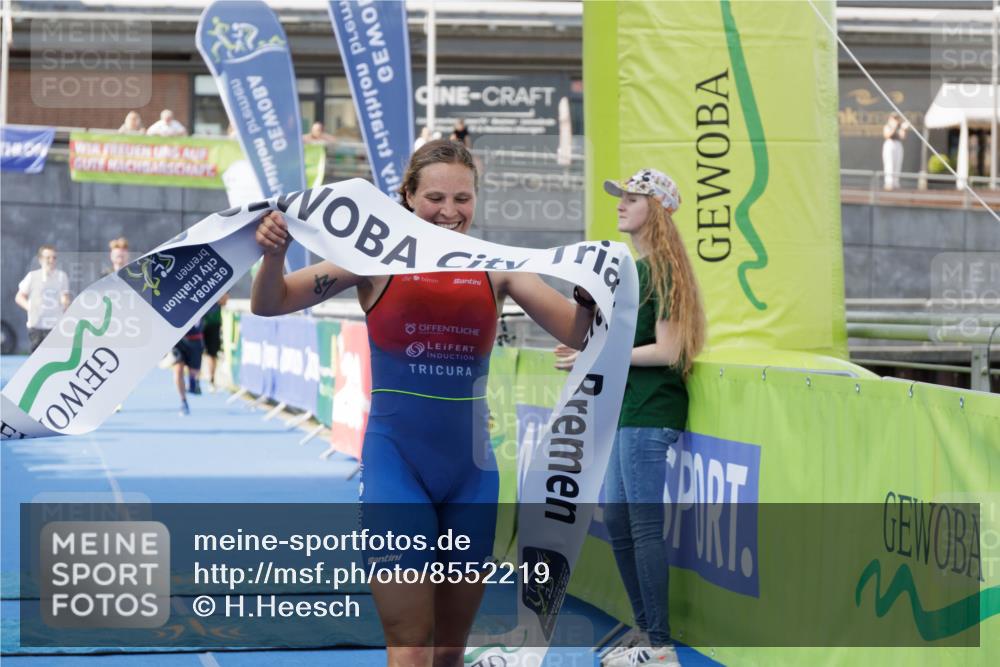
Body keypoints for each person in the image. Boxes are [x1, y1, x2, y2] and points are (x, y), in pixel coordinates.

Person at [251, 139, 597, 666]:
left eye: (463, 198)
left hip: (473, 477)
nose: (450, 211)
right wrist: (272, 256)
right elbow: (271, 302)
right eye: (435, 197)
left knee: (448, 651)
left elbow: (575, 328)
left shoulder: (497, 267)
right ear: (407, 196)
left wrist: (592, 290)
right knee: (411, 642)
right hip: (398, 469)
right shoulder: (371, 261)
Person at [556, 168, 705, 667]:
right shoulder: (640, 267)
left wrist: (597, 357)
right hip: (630, 410)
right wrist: (594, 350)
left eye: (632, 198)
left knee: (639, 524)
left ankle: (659, 644)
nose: (620, 203)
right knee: (620, 519)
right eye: (620, 196)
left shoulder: (662, 269)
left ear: (656, 209)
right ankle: (647, 633)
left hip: (651, 411)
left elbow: (667, 351)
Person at [15, 245, 72, 352]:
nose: (51, 260)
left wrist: (65, 305)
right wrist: (31, 308)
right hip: (37, 325)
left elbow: (65, 297)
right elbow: (19, 297)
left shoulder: (62, 276)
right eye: (48, 257)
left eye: (54, 257)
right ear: (40, 259)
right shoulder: (32, 276)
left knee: (55, 358)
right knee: (36, 360)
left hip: (55, 325)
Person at [172, 319, 204, 415]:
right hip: (178, 340)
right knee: (178, 370)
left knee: (194, 372)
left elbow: (218, 305)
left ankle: (193, 381)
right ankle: (183, 401)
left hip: (195, 339)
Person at [202, 293, 229, 392]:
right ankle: (194, 380)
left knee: (211, 353)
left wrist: (219, 297)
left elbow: (224, 301)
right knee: (195, 352)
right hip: (198, 323)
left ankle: (211, 380)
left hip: (213, 323)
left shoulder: (217, 285)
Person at [882, 113, 908, 190]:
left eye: (896, 118)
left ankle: (896, 183)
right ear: (890, 119)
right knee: (889, 163)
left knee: (897, 163)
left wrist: (904, 129)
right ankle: (889, 183)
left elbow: (902, 136)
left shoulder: (899, 127)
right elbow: (887, 135)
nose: (895, 120)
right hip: (890, 144)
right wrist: (894, 126)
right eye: (894, 118)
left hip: (897, 144)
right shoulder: (887, 126)